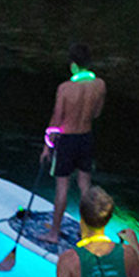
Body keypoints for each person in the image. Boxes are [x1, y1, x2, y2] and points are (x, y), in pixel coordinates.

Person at [38, 43, 106, 246]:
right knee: (85, 185)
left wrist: (47, 146)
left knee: (62, 187)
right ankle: (87, 232)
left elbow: (56, 120)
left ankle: (54, 233)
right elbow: (97, 113)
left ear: (74, 65)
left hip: (67, 140)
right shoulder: (100, 85)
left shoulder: (66, 88)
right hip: (86, 137)